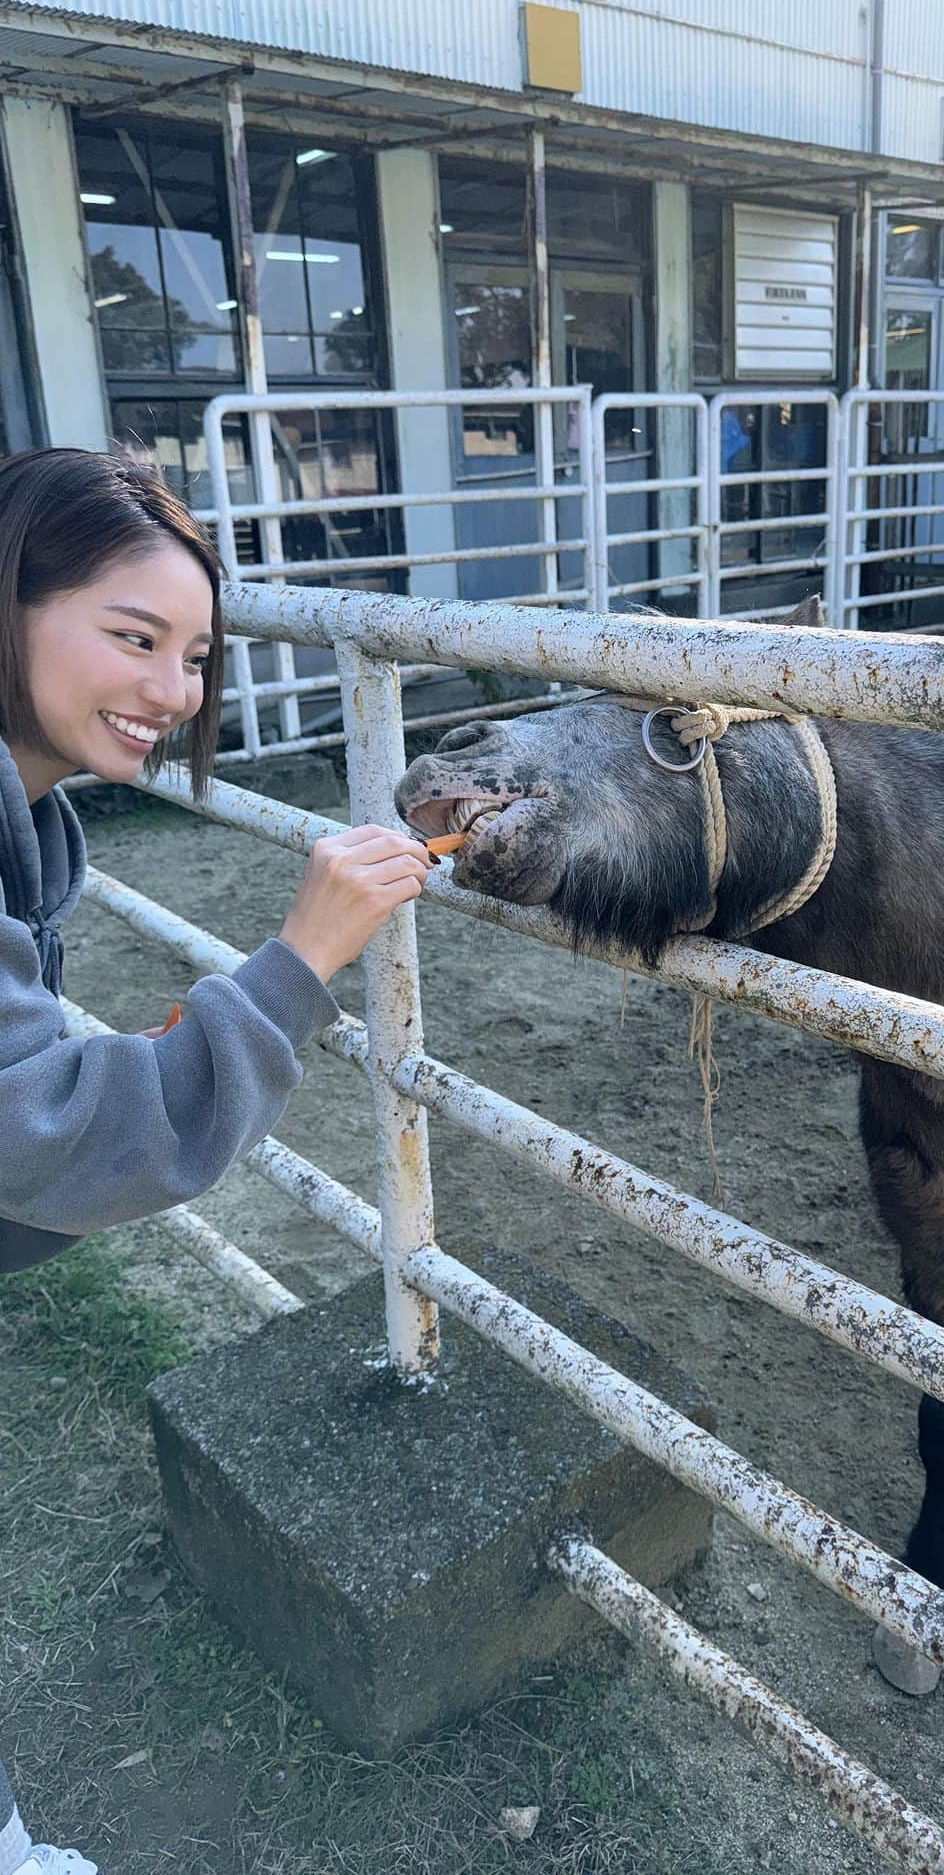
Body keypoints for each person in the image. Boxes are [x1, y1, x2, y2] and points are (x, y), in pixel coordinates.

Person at [0, 447, 433, 1875]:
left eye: (193, 653)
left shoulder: (33, 825)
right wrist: (302, 957)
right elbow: (50, 1129)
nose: (174, 690)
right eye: (133, 638)